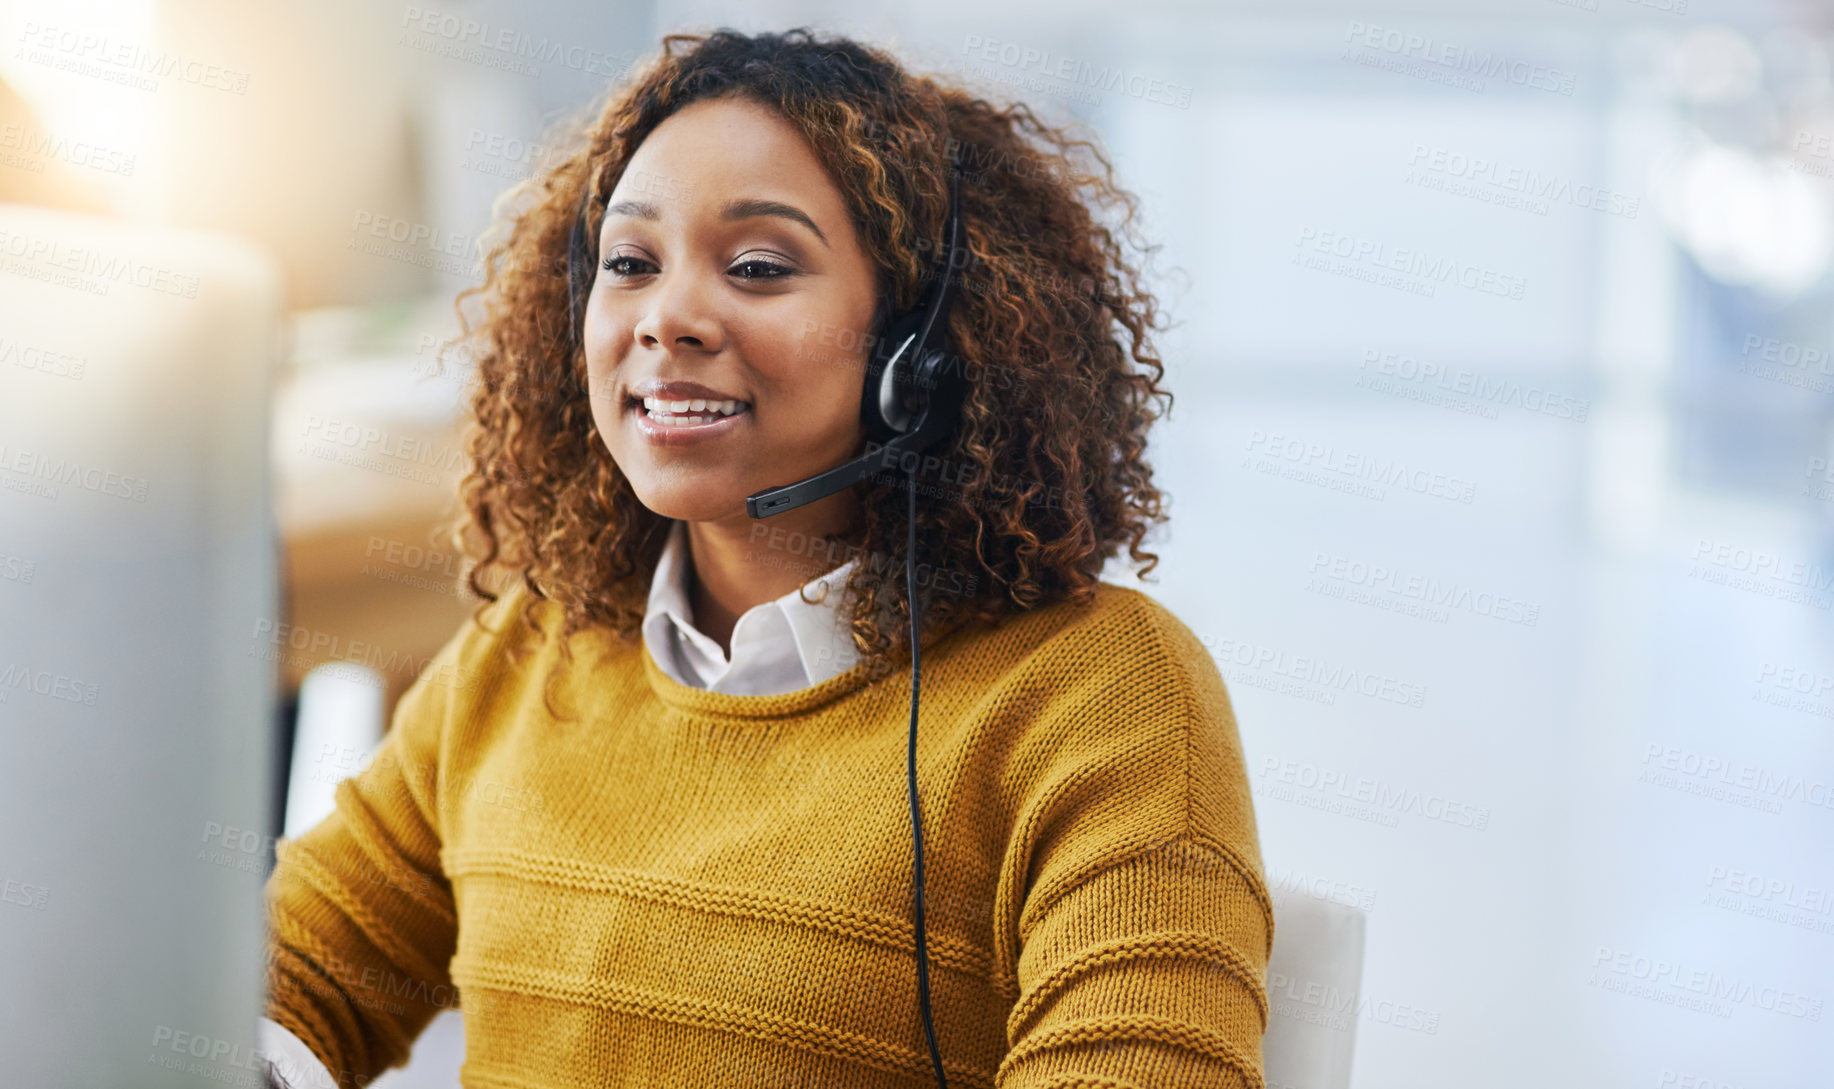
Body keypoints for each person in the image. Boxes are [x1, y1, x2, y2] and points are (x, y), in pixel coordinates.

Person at [260, 26, 1273, 1089]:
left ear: (917, 351)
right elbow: (295, 979)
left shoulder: (1102, 695)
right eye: (630, 264)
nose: (669, 318)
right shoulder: (526, 651)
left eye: (756, 267)